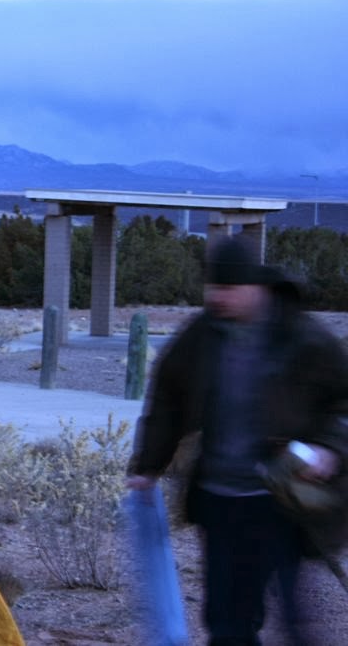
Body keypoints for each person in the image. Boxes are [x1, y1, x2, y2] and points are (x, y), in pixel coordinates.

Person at [126, 236, 348, 645]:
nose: (217, 299)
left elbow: (342, 403)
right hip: (219, 499)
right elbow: (169, 399)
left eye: (228, 289)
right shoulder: (203, 333)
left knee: (291, 616)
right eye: (213, 288)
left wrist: (330, 448)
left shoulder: (303, 337)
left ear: (255, 288)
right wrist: (147, 467)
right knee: (226, 615)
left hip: (279, 501)